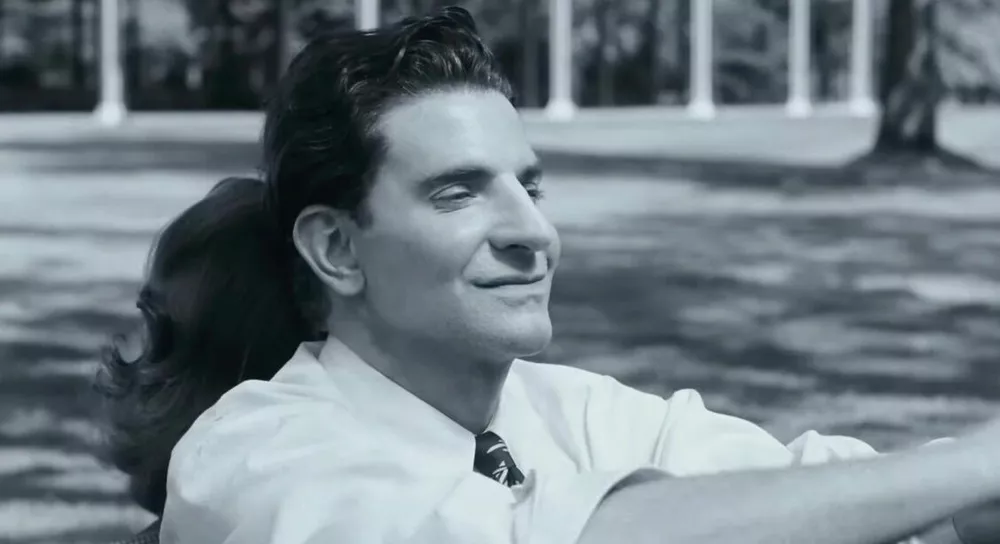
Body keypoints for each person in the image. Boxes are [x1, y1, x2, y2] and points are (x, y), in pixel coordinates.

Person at [93, 7, 1000, 544]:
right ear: (336, 249)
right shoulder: (260, 457)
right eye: (458, 193)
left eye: (529, 187)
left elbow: (834, 493)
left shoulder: (572, 411)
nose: (534, 234)